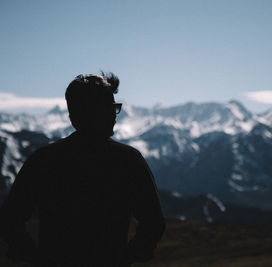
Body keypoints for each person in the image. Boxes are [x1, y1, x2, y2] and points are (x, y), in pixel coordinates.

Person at [0, 73, 165, 267]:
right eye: (110, 108)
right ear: (97, 112)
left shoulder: (44, 160)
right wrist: (127, 257)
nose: (114, 114)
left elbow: (9, 220)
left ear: (73, 116)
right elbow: (153, 223)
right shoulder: (127, 161)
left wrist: (35, 256)